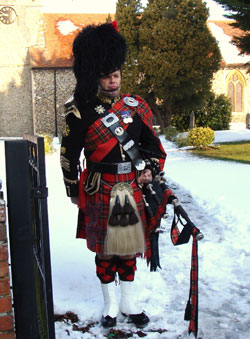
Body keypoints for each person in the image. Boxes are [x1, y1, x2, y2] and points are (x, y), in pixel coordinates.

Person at [60, 22, 175, 328]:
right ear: (94, 76)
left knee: (128, 249)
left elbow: (154, 147)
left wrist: (149, 170)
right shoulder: (80, 111)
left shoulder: (135, 107)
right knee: (106, 251)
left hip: (131, 186)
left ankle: (129, 301)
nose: (113, 82)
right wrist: (73, 190)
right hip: (101, 188)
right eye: (106, 76)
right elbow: (68, 156)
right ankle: (110, 305)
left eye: (116, 75)